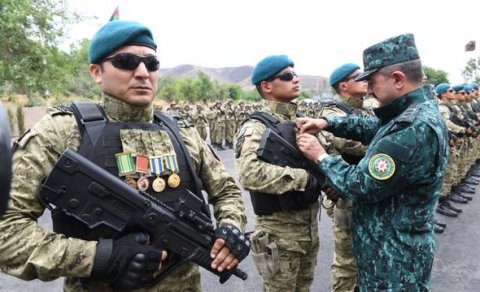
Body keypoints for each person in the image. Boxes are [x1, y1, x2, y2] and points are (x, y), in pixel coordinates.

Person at [0, 20, 248, 292]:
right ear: (96, 72)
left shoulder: (182, 132)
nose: (142, 72)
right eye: (126, 61)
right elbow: (7, 234)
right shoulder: (60, 131)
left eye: (151, 64)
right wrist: (102, 258)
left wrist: (231, 226)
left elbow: (227, 191)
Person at [296, 33, 448, 290]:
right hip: (395, 251)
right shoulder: (413, 113)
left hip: (393, 263)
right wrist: (328, 122)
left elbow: (360, 185)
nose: (368, 89)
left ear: (397, 79)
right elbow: (373, 125)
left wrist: (320, 155)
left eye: (372, 81)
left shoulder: (412, 127)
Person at [234, 55, 322, 291]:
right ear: (267, 86)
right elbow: (249, 173)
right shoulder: (256, 126)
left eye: (295, 73)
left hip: (308, 230)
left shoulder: (302, 121)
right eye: (286, 76)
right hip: (279, 237)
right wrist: (303, 179)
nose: (295, 79)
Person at [320, 63, 369, 292]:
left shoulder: (366, 110)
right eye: (358, 77)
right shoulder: (331, 113)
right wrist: (385, 145)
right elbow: (349, 143)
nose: (365, 79)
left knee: (366, 255)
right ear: (344, 85)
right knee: (347, 261)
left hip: (368, 189)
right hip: (346, 193)